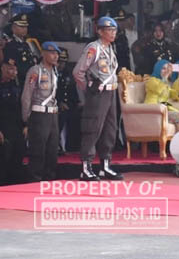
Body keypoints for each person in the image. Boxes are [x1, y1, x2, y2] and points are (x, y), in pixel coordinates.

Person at [73, 16, 123, 181]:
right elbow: (78, 72)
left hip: (111, 92)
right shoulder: (93, 48)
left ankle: (105, 166)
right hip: (98, 93)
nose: (112, 33)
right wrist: (88, 90)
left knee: (110, 128)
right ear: (100, 31)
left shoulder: (110, 48)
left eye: (114, 30)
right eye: (109, 30)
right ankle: (86, 167)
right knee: (93, 128)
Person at [22, 42, 61, 182]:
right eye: (52, 53)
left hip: (52, 115)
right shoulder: (35, 71)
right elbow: (27, 96)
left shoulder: (55, 72)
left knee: (52, 151)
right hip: (39, 114)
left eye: (57, 53)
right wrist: (25, 120)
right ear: (43, 54)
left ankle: (49, 180)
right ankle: (35, 180)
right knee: (38, 151)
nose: (55, 56)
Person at [0, 58, 27, 185]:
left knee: (18, 154)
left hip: (17, 127)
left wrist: (26, 125)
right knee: (4, 157)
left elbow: (22, 107)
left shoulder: (18, 86)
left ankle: (14, 185)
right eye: (10, 69)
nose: (13, 72)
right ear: (3, 69)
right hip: (3, 127)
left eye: (15, 69)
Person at [4, 13, 38, 85]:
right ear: (13, 28)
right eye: (21, 27)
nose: (24, 29)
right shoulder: (10, 44)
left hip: (31, 80)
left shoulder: (26, 43)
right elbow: (12, 65)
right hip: (19, 82)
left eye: (25, 27)